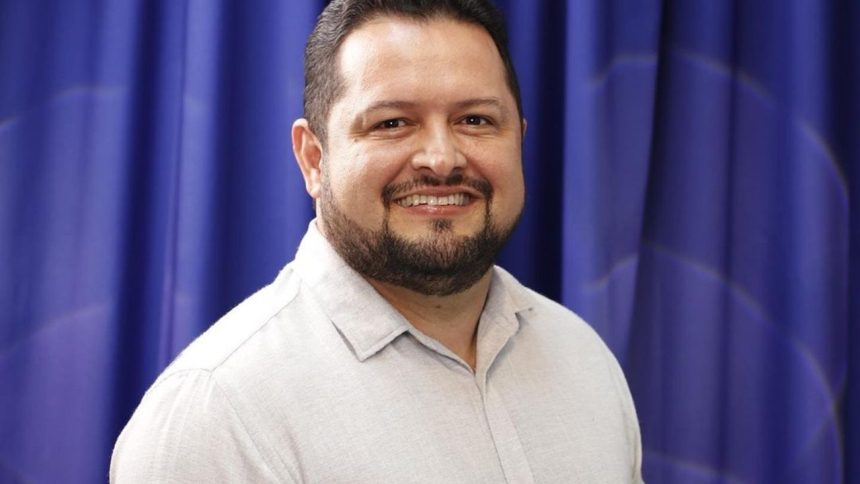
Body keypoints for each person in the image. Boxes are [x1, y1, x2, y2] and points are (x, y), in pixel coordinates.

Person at [110, 0, 644, 482]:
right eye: (392, 123)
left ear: (519, 139)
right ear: (314, 159)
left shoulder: (582, 358)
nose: (442, 159)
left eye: (476, 120)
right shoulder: (216, 416)